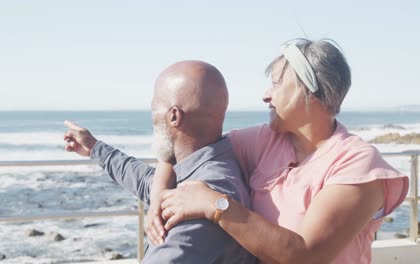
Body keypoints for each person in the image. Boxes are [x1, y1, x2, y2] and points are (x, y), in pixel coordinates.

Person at [147, 39, 409, 264]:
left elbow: (306, 255)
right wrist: (159, 197)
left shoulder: (357, 164)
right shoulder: (265, 141)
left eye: (276, 84)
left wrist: (214, 205)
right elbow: (191, 144)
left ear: (312, 92)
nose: (266, 95)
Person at [63, 61, 256, 263]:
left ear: (174, 116)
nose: (152, 116)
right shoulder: (206, 166)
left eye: (154, 107)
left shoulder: (206, 193)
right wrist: (95, 148)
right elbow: (146, 181)